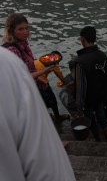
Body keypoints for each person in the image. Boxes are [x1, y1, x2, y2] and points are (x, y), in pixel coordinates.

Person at [0, 47, 76, 181]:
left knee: (47, 103)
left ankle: (55, 116)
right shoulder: (52, 65)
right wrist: (65, 84)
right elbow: (60, 78)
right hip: (38, 83)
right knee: (50, 102)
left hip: (34, 82)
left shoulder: (42, 60)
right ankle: (55, 119)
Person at [75, 26, 107, 141]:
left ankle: (98, 141)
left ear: (83, 39)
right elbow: (105, 77)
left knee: (90, 120)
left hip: (88, 99)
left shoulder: (80, 61)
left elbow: (81, 86)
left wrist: (79, 105)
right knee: (102, 116)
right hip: (101, 95)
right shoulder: (102, 55)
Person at [2, 13, 54, 81]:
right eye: (20, 29)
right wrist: (42, 72)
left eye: (26, 28)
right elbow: (20, 78)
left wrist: (38, 78)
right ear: (11, 31)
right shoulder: (12, 50)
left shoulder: (23, 43)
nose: (25, 32)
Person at [34, 51, 70, 122]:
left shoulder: (44, 59)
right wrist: (66, 83)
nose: (58, 64)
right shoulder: (54, 61)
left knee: (41, 99)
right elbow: (59, 74)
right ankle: (57, 117)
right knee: (52, 99)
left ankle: (43, 116)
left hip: (33, 78)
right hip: (41, 81)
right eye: (59, 61)